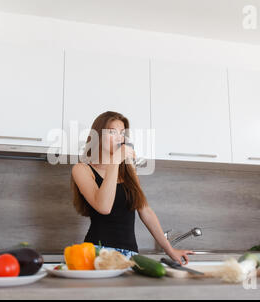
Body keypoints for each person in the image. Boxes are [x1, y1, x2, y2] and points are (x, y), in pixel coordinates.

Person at [71, 111, 194, 264]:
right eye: (112, 132)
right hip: (97, 253)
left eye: (122, 133)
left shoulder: (128, 170)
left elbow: (145, 211)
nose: (119, 138)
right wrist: (115, 161)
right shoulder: (82, 169)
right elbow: (104, 207)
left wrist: (169, 249)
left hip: (130, 254)